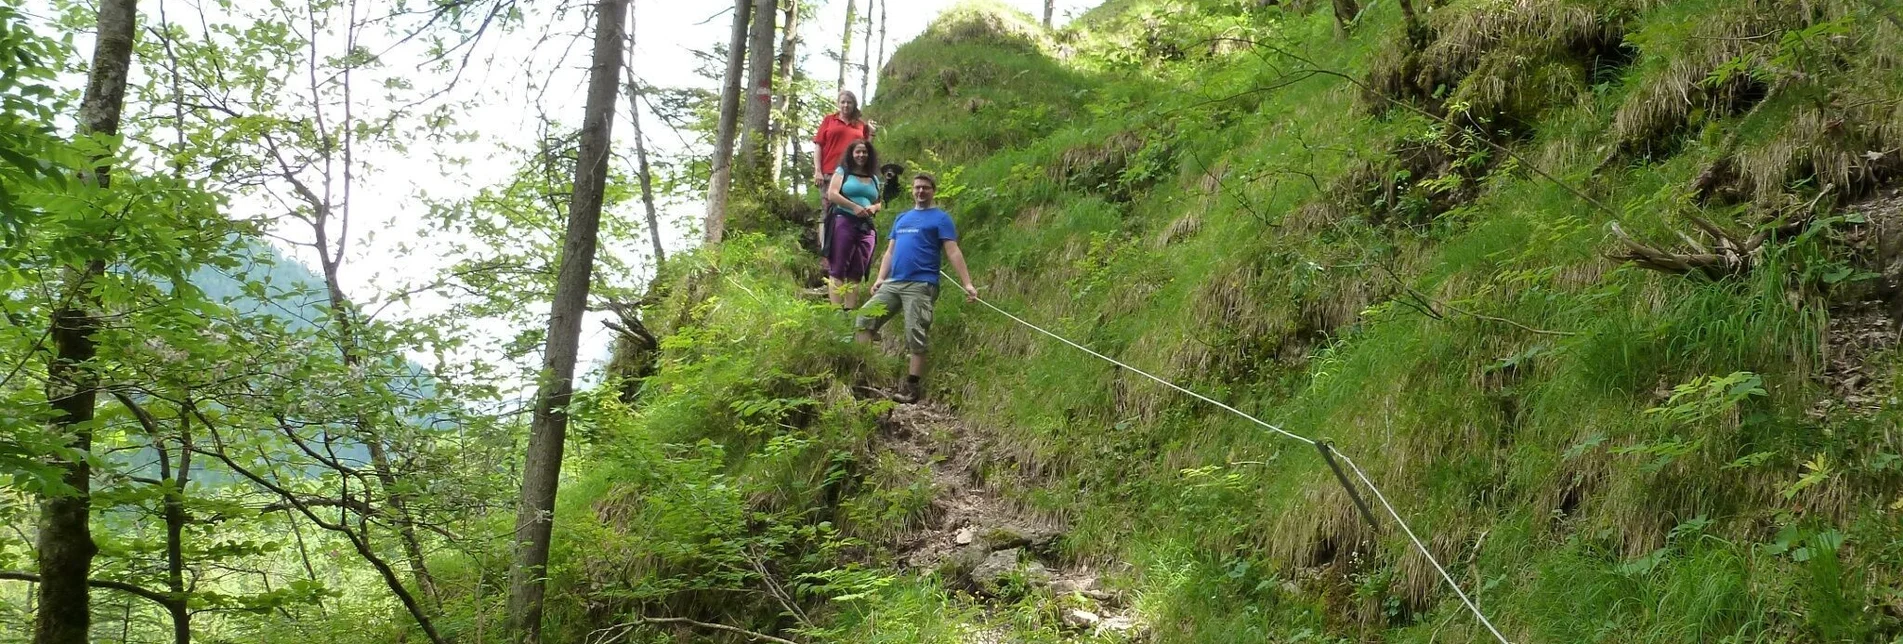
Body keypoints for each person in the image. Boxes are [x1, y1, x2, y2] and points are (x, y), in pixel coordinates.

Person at [855, 173, 978, 404]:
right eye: (917, 188)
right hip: (894, 282)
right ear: (912, 190)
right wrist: (881, 278)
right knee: (864, 319)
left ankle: (912, 387)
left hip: (921, 284)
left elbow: (952, 251)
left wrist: (967, 283)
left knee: (915, 332)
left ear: (933, 191)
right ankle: (863, 375)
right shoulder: (902, 218)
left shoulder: (940, 219)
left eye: (925, 188)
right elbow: (890, 251)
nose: (920, 191)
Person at [824, 139, 884, 309]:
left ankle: (849, 311)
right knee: (838, 266)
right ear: (851, 154)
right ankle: (836, 311)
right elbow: (832, 194)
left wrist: (873, 208)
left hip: (866, 226)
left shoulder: (873, 177)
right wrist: (854, 207)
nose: (861, 155)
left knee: (857, 270)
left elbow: (879, 202)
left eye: (864, 152)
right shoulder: (843, 171)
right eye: (857, 152)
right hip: (844, 220)